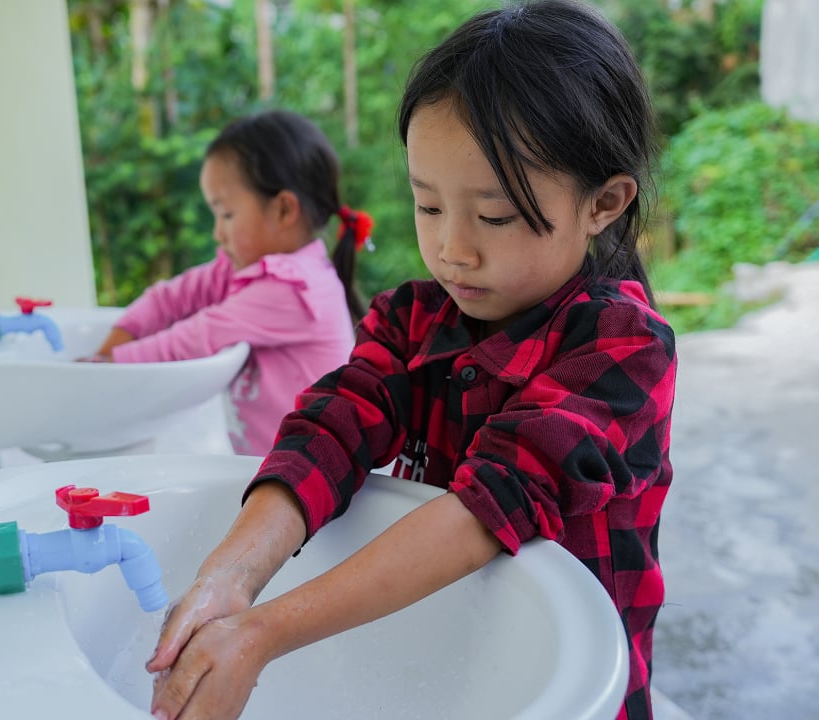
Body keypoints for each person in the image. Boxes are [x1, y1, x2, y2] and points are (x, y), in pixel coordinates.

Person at [145, 2, 676, 719]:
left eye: (493, 216)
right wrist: (228, 577)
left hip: (567, 687)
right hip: (438, 661)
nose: (455, 249)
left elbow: (486, 508)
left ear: (604, 203)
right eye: (428, 207)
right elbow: (329, 432)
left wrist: (263, 631)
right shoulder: (411, 319)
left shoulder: (624, 348)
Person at [89, 110, 374, 456]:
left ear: (284, 210)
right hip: (269, 472)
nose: (217, 232)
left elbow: (196, 337)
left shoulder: (295, 289)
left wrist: (106, 371)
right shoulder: (248, 267)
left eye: (226, 214)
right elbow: (170, 299)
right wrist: (109, 349)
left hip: (314, 479)